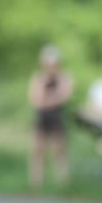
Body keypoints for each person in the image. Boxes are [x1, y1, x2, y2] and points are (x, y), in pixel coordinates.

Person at [28, 45, 73, 188]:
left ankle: (63, 181)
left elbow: (64, 95)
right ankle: (36, 182)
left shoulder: (64, 77)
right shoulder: (39, 77)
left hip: (57, 117)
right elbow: (35, 98)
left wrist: (49, 99)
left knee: (59, 150)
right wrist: (51, 98)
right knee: (38, 149)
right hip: (42, 117)